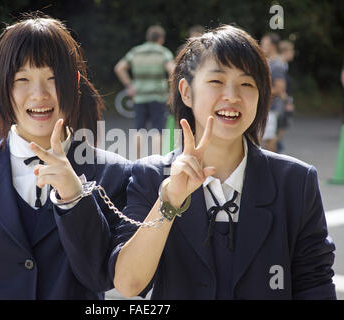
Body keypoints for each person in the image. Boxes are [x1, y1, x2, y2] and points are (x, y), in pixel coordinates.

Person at [110, 25, 336, 299]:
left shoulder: (296, 182)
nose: (232, 96)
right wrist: (169, 202)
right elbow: (128, 283)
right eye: (216, 81)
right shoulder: (151, 176)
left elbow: (316, 284)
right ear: (186, 92)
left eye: (247, 84)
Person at [0, 15, 131, 299]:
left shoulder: (112, 173)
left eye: (53, 78)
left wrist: (74, 198)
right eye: (22, 79)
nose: (39, 94)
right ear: (3, 86)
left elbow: (101, 276)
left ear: (75, 82)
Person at [114, 25, 175, 158]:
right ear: (161, 39)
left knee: (139, 129)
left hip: (139, 96)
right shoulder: (162, 52)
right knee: (157, 130)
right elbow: (173, 71)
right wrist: (169, 87)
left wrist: (129, 85)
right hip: (158, 96)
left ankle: (136, 160)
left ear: (148, 37)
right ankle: (155, 162)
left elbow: (119, 68)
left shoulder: (136, 51)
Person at [260, 32, 287, 153]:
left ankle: (274, 167)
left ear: (273, 46)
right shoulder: (267, 61)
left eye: (265, 44)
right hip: (265, 107)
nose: (261, 45)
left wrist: (259, 89)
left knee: (269, 140)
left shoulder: (277, 64)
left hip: (272, 108)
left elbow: (280, 88)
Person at [276, 40, 296, 153]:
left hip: (281, 101)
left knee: (280, 128)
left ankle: (278, 148)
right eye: (291, 51)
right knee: (280, 128)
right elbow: (281, 87)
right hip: (280, 102)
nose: (292, 54)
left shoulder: (284, 65)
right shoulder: (280, 65)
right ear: (285, 51)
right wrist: (287, 101)